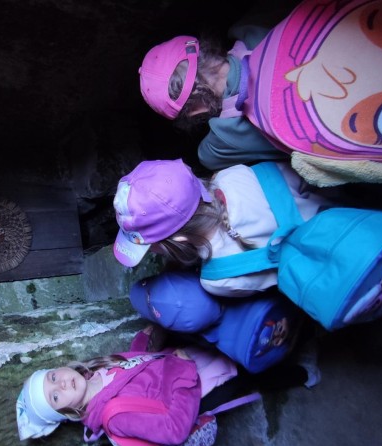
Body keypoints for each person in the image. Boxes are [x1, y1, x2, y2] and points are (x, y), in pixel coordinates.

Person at [16, 325, 319, 444]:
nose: (61, 384)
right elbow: (174, 430)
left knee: (238, 352)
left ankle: (286, 337)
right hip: (201, 389)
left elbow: (133, 370)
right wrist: (185, 372)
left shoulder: (95, 371)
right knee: (251, 376)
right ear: (67, 413)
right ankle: (304, 374)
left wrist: (141, 342)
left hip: (182, 366)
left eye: (51, 377)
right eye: (55, 397)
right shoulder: (115, 417)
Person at [113, 158, 334, 297]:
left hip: (333, 261)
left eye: (149, 245)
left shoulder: (218, 278)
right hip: (339, 201)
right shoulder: (233, 174)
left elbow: (277, 285)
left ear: (180, 239)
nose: (152, 252)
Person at [138, 1, 299, 171]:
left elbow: (207, 157)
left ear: (196, 111)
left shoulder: (221, 142)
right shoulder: (252, 24)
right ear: (203, 47)